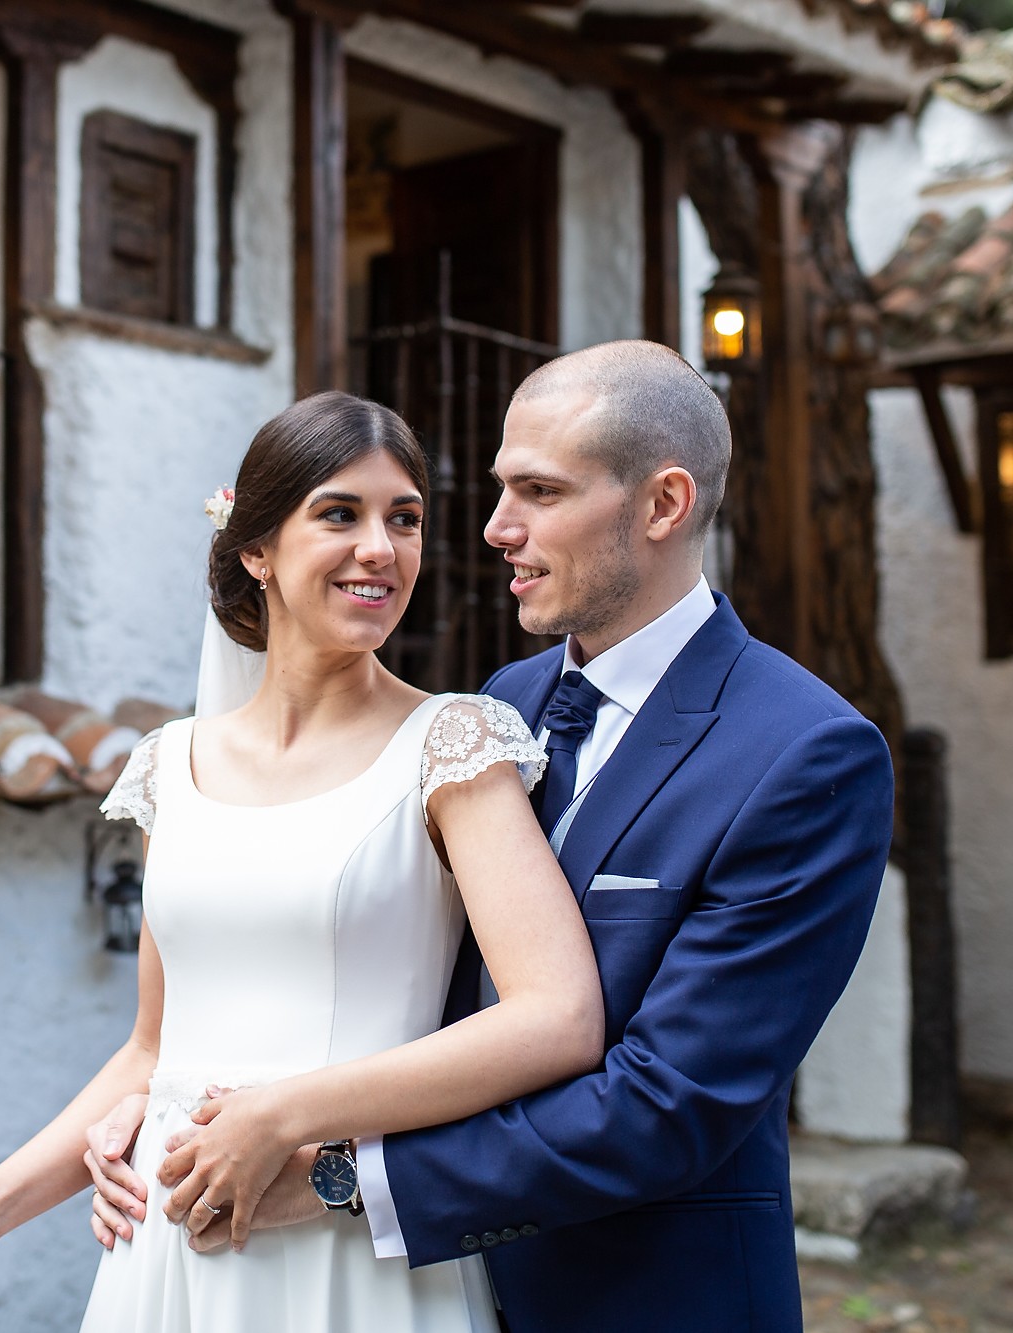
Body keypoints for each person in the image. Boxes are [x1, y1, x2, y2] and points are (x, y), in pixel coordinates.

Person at [87, 341, 895, 1332]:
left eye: (538, 492)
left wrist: (337, 1179)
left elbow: (667, 1103)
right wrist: (166, 1100)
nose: (495, 528)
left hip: (636, 1299)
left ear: (662, 504)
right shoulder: (500, 709)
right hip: (425, 1294)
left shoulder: (803, 755)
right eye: (496, 488)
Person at [0, 390, 606, 1333]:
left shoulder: (455, 746)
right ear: (256, 548)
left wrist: (282, 1115)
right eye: (339, 514)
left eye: (406, 519)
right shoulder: (168, 767)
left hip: (352, 1247)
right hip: (168, 1254)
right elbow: (153, 1050)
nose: (381, 548)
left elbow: (557, 1017)